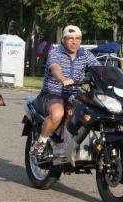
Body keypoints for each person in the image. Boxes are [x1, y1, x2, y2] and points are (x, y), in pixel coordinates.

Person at [32, 25, 100, 156]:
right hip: (52, 93)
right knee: (57, 113)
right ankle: (39, 146)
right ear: (63, 39)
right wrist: (63, 79)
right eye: (70, 38)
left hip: (75, 95)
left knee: (91, 113)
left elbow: (98, 68)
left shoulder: (85, 54)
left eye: (78, 38)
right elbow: (55, 68)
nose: (74, 42)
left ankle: (70, 148)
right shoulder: (55, 53)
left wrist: (110, 77)